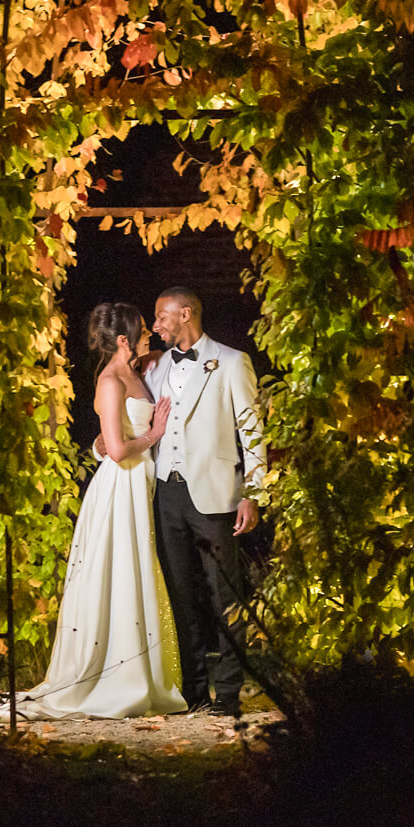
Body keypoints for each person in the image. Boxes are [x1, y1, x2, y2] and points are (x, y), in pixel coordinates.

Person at [15, 302, 187, 719]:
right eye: (143, 329)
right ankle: (117, 675)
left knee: (140, 568)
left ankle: (144, 670)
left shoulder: (138, 370)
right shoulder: (110, 380)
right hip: (122, 486)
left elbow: (105, 439)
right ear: (124, 339)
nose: (150, 334)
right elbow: (119, 449)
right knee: (123, 569)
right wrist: (155, 434)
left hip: (141, 482)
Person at [144, 286, 264, 719]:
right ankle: (192, 691)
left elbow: (251, 430)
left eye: (161, 315)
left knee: (224, 595)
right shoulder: (156, 367)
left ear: (186, 313)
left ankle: (228, 692)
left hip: (215, 495)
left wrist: (254, 491)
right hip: (167, 493)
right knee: (179, 593)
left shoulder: (231, 361)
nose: (155, 324)